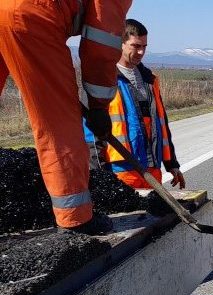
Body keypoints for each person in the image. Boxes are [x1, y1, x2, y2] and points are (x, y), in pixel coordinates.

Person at [0, 0, 131, 235]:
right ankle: (76, 218)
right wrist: (99, 107)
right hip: (32, 14)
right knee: (59, 125)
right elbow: (101, 45)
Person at [85, 19, 185, 189]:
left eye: (144, 46)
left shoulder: (150, 79)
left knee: (157, 215)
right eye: (135, 46)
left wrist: (172, 164)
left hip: (152, 170)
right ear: (120, 43)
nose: (141, 52)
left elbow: (161, 125)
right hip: (121, 172)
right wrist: (99, 176)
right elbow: (90, 134)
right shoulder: (102, 80)